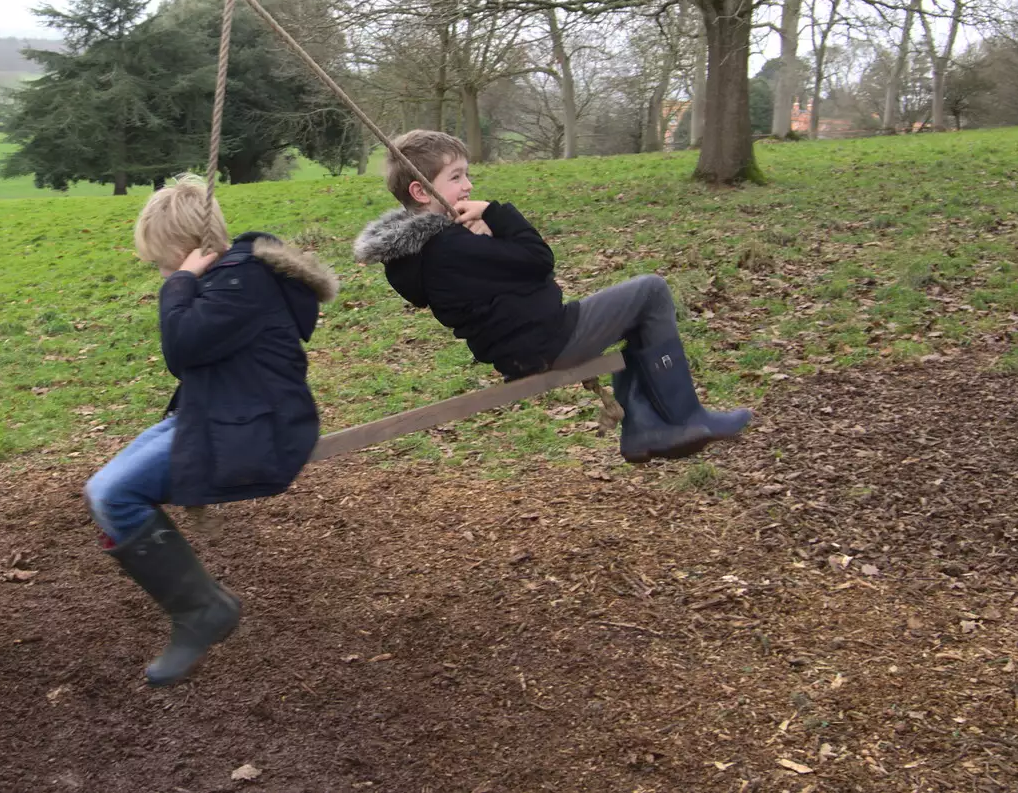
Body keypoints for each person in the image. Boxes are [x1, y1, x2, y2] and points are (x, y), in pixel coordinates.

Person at [352, 130, 751, 464]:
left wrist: (486, 240)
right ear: (422, 191)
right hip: (547, 340)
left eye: (467, 175)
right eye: (456, 177)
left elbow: (506, 278)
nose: (469, 185)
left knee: (636, 312)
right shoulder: (449, 246)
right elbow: (539, 261)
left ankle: (645, 428)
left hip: (524, 344)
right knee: (651, 291)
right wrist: (496, 213)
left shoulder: (423, 252)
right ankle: (681, 417)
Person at [84, 176, 337, 686]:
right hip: (217, 412)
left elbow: (182, 348)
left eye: (162, 262)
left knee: (116, 494)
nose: (161, 272)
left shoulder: (240, 282)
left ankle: (203, 610)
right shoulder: (232, 278)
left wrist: (178, 283)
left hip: (258, 427)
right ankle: (201, 608)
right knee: (102, 491)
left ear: (188, 250)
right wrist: (187, 279)